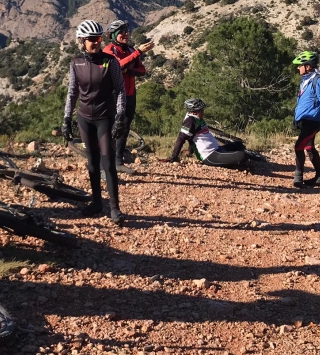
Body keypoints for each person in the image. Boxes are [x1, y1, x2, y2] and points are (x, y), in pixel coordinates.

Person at [62, 20, 128, 224]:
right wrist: (66, 118)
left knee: (108, 164)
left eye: (98, 38)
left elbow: (120, 90)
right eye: (91, 39)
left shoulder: (111, 62)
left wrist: (120, 116)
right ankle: (97, 202)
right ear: (81, 41)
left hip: (105, 119)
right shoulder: (75, 63)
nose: (95, 43)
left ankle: (115, 208)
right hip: (84, 119)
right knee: (92, 163)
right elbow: (72, 93)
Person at [102, 19, 154, 175]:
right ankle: (105, 160)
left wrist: (127, 70)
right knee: (112, 127)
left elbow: (142, 70)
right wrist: (138, 53)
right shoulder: (109, 50)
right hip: (114, 94)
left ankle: (118, 161)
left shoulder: (130, 50)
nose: (125, 34)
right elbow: (116, 66)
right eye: (121, 32)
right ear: (113, 35)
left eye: (127, 31)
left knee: (124, 127)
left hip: (130, 94)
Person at [162, 98, 248, 167]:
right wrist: (173, 156)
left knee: (239, 144)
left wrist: (189, 151)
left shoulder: (197, 119)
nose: (203, 112)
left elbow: (191, 137)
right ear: (193, 112)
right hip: (210, 155)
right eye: (200, 110)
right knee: (243, 156)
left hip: (217, 149)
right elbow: (181, 138)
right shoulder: (190, 121)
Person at [292, 50, 320, 188]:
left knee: (298, 147)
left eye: (300, 65)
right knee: (309, 147)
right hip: (305, 120)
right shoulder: (305, 81)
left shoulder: (318, 80)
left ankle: (298, 177)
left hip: (313, 121)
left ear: (308, 66)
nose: (298, 67)